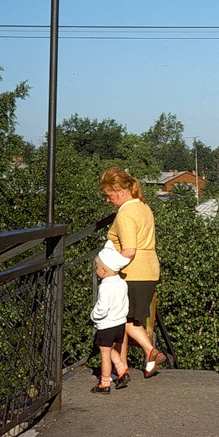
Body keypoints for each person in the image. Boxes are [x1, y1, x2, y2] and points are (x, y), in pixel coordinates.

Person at [99, 167, 166, 379]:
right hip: (149, 270)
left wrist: (107, 266)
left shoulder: (126, 213)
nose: (109, 201)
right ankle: (127, 367)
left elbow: (129, 250)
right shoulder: (143, 207)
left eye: (110, 196)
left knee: (122, 320)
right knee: (131, 320)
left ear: (120, 191)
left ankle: (149, 351)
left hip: (133, 273)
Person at [90, 241, 131, 394]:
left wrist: (94, 315)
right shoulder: (122, 283)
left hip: (107, 325)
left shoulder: (105, 287)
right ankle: (122, 371)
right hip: (120, 324)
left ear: (104, 271)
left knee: (105, 354)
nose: (96, 270)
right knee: (112, 349)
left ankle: (104, 383)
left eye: (97, 268)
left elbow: (102, 308)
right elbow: (124, 303)